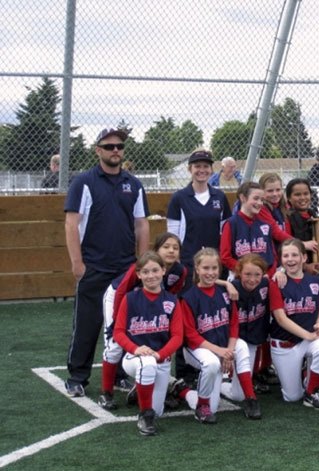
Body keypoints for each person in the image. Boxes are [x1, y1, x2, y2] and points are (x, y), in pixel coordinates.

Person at [64, 127, 150, 397]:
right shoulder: (84, 182)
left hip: (125, 268)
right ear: (98, 150)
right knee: (88, 324)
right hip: (94, 266)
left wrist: (143, 264)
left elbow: (142, 225)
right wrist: (77, 264)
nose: (116, 151)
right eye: (109, 146)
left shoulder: (134, 184)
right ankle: (77, 376)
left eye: (120, 146)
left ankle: (120, 374)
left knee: (124, 325)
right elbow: (71, 224)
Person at [99, 232, 187, 410]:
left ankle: (144, 387)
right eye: (166, 246)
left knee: (155, 341)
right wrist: (116, 321)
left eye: (175, 248)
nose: (171, 250)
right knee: (115, 345)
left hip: (149, 301)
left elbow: (172, 293)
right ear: (157, 249)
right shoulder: (143, 265)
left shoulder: (180, 271)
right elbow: (123, 290)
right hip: (120, 298)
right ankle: (106, 392)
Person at [180, 248, 261, 423]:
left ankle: (250, 398)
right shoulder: (188, 297)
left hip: (223, 346)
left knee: (242, 346)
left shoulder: (226, 292)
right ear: (197, 268)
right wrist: (221, 351)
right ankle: (188, 395)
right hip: (199, 349)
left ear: (219, 270)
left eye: (214, 268)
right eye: (206, 268)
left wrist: (229, 352)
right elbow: (191, 335)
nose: (210, 272)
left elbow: (233, 324)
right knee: (210, 365)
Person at [112, 251, 184, 435]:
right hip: (133, 358)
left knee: (158, 410)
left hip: (161, 359)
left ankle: (141, 388)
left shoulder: (172, 301)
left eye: (155, 270)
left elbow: (177, 337)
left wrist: (160, 354)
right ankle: (144, 416)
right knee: (147, 363)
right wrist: (136, 348)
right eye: (145, 272)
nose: (151, 275)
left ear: (163, 271)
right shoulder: (130, 298)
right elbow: (118, 332)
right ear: (138, 274)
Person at [268, 238, 319, 409]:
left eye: (295, 255)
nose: (290, 259)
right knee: (292, 397)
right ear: (281, 259)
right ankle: (306, 376)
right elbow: (281, 319)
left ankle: (311, 391)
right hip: (285, 344)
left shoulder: (315, 282)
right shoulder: (276, 282)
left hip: (307, 340)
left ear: (304, 258)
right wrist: (309, 335)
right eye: (286, 256)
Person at [167, 149, 232, 288]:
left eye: (205, 166)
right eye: (197, 166)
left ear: (211, 169)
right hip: (189, 264)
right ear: (190, 169)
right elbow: (173, 235)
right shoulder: (179, 198)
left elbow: (226, 231)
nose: (201, 170)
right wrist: (177, 262)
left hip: (214, 265)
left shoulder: (220, 197)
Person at [219, 253, 271, 399]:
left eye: (257, 274)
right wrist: (226, 283)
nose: (252, 279)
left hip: (253, 340)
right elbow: (203, 281)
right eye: (247, 274)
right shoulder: (231, 287)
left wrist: (282, 273)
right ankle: (218, 381)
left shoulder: (266, 284)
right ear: (239, 273)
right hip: (232, 341)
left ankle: (222, 384)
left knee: (239, 395)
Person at [220, 181, 292, 277]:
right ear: (243, 198)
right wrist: (247, 272)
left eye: (261, 200)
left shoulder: (265, 224)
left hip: (264, 277)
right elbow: (225, 257)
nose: (259, 203)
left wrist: (268, 274)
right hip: (240, 277)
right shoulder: (231, 224)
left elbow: (273, 257)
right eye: (256, 199)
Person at [285, 178, 319, 273]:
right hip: (297, 268)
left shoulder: (314, 215)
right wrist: (304, 266)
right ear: (289, 197)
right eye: (297, 194)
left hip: (316, 265)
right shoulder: (288, 217)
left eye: (306, 193)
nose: (303, 198)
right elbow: (286, 245)